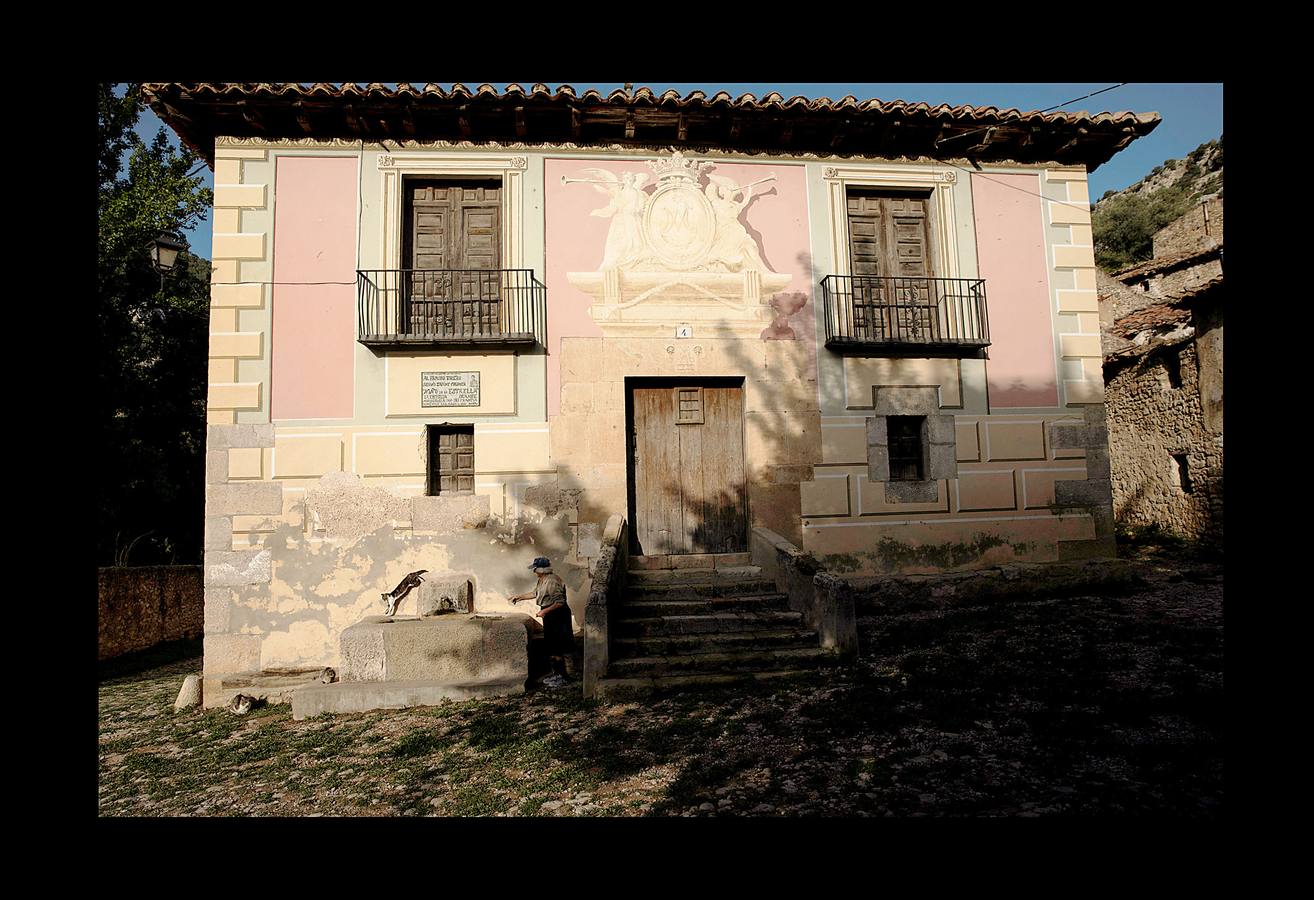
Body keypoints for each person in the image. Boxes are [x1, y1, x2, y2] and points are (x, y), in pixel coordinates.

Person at [510, 556, 572, 687]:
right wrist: (520, 597)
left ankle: (562, 677)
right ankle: (557, 674)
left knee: (556, 646)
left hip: (557, 616)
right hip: (550, 614)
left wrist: (545, 611)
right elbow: (535, 593)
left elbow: (560, 602)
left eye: (535, 569)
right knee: (551, 645)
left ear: (541, 569)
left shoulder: (552, 581)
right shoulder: (542, 580)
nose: (534, 572)